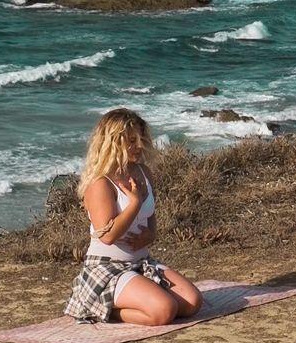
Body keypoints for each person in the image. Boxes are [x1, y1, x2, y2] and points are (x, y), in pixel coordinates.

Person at [64, 108, 202, 325]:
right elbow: (107, 236)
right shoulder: (100, 183)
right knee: (164, 311)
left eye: (141, 139)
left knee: (192, 303)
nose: (139, 146)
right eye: (131, 141)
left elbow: (151, 216)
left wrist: (151, 234)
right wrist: (134, 203)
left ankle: (128, 301)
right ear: (112, 142)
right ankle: (99, 308)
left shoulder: (143, 172)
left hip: (142, 262)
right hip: (107, 268)